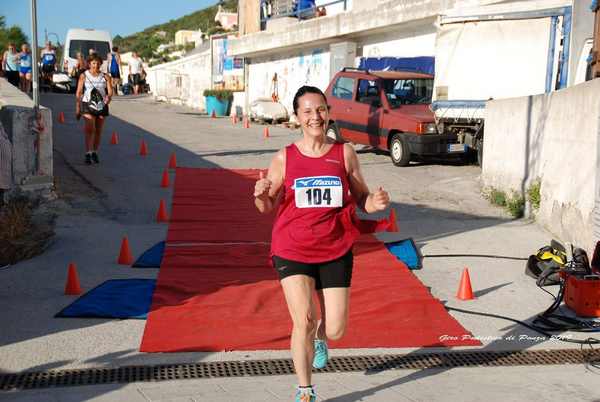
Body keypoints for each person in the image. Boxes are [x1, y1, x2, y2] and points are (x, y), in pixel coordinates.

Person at [253, 86, 390, 402]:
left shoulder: (344, 153)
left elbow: (361, 200)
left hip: (336, 247)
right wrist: (260, 195)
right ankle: (305, 389)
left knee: (335, 330)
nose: (316, 117)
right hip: (292, 247)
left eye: (321, 110)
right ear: (297, 117)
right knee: (303, 319)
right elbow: (266, 207)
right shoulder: (284, 158)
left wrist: (375, 202)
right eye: (308, 111)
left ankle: (319, 338)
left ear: (328, 112)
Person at [75, 53, 113, 165]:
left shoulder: (105, 76)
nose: (95, 65)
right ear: (89, 64)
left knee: (98, 130)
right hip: (87, 104)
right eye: (93, 63)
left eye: (97, 63)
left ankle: (95, 152)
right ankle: (88, 152)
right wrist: (77, 107)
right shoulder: (84, 75)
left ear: (100, 64)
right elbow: (79, 92)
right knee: (89, 128)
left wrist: (108, 98)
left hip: (101, 104)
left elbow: (110, 91)